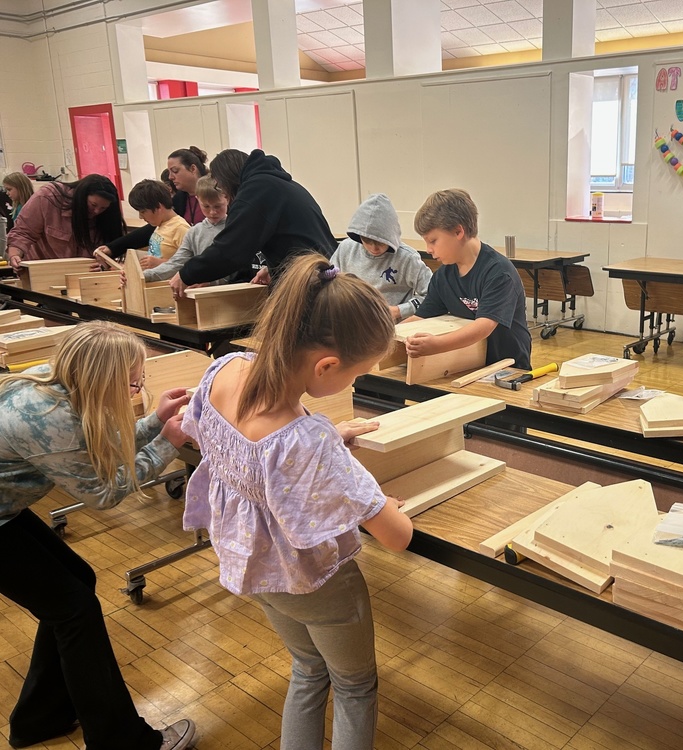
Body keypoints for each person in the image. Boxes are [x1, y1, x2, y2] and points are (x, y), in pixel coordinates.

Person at [181, 253, 413, 750]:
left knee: (308, 669)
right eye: (357, 373)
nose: (353, 383)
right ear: (327, 364)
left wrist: (327, 434)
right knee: (354, 685)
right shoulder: (306, 440)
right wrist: (381, 500)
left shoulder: (227, 369)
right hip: (315, 582)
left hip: (253, 567)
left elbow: (242, 448)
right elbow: (396, 537)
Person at [0, 321, 195, 750]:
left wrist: (153, 422)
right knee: (73, 609)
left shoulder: (54, 388)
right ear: (101, 377)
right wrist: (166, 443)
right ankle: (121, 742)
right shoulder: (44, 419)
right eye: (131, 382)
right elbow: (104, 493)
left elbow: (98, 443)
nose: (136, 387)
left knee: (77, 587)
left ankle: (40, 718)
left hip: (5, 511)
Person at [168, 149, 337, 298]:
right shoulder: (277, 183)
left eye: (220, 186)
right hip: (320, 273)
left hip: (309, 282)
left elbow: (230, 250)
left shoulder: (256, 189)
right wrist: (274, 268)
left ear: (226, 179)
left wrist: (186, 274)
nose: (224, 194)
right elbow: (292, 238)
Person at [403, 188, 532, 369]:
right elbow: (421, 316)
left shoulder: (499, 273)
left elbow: (483, 326)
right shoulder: (443, 276)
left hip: (507, 368)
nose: (429, 249)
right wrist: (386, 334)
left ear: (458, 232)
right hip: (466, 366)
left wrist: (436, 345)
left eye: (433, 240)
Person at [330, 193, 431, 320]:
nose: (374, 248)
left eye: (380, 242)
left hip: (392, 327)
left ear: (391, 237)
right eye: (367, 241)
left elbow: (431, 296)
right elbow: (330, 287)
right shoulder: (346, 249)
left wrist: (398, 311)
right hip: (352, 323)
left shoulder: (407, 258)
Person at [102, 147, 209, 260]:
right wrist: (113, 248)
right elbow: (152, 227)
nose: (170, 177)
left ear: (193, 169)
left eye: (175, 171)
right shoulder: (181, 198)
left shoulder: (216, 195)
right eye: (170, 172)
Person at [143, 174, 250, 284]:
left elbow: (239, 271)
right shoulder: (194, 232)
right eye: (206, 206)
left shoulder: (235, 228)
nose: (212, 212)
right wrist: (144, 276)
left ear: (227, 199)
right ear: (198, 199)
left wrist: (210, 283)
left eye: (218, 206)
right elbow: (176, 263)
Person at [5, 174, 124, 270]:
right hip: (42, 272)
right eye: (93, 205)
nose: (97, 211)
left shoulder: (108, 215)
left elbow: (109, 249)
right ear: (81, 197)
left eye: (103, 208)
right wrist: (15, 256)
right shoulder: (48, 197)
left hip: (80, 276)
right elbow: (23, 232)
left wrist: (103, 265)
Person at [126, 179, 190, 270]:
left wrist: (161, 263)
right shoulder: (160, 224)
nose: (140, 217)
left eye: (143, 211)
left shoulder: (180, 228)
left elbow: (192, 263)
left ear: (158, 207)